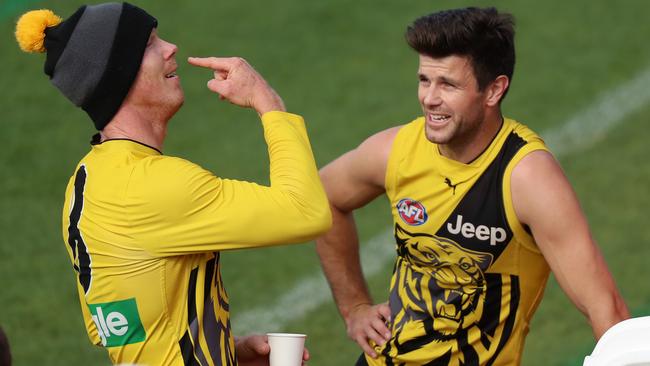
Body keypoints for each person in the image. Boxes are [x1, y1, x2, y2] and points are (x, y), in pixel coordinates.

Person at [15, 3, 330, 365]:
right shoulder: (151, 185)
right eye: (149, 44)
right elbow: (306, 212)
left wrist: (230, 351)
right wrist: (269, 103)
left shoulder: (86, 183)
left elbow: (119, 328)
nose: (170, 48)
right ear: (119, 75)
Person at [315, 6, 630, 366]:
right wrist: (354, 306)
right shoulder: (397, 150)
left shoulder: (525, 177)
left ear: (494, 90)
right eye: (424, 80)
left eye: (447, 84)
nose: (429, 98)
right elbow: (325, 196)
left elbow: (606, 309)